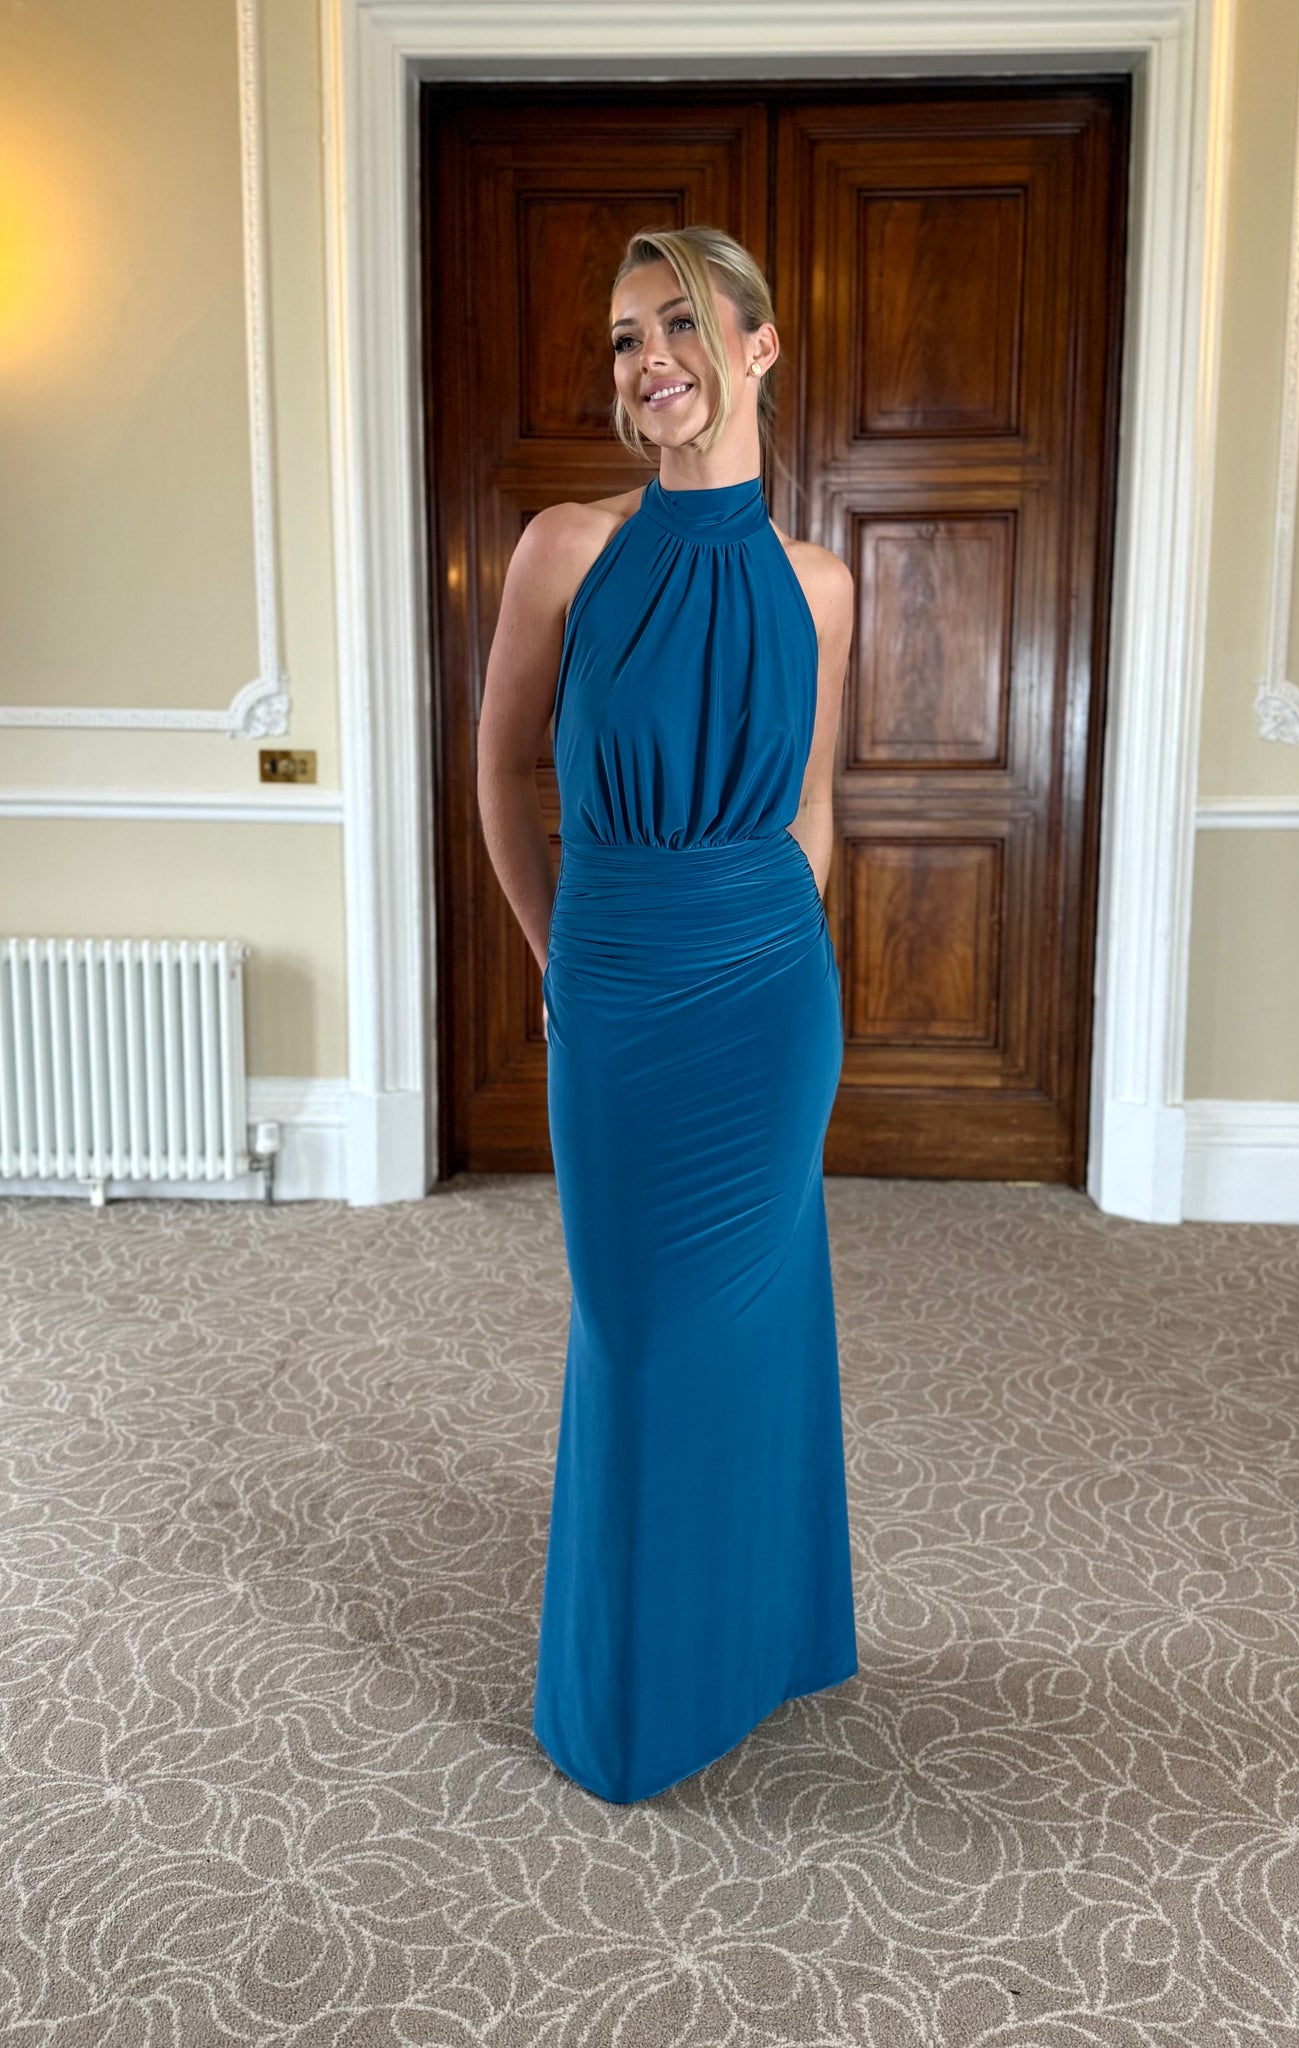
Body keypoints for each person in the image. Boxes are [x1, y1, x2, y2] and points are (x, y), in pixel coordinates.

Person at [476, 225, 859, 1803]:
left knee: (760, 1323)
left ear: (758, 347)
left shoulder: (821, 585)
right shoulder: (566, 550)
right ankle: (638, 1697)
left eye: (682, 325)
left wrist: (782, 954)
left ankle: (765, 1638)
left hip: (769, 991)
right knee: (636, 1333)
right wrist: (559, 958)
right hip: (618, 976)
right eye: (630, 338)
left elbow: (813, 806)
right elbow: (501, 770)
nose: (652, 363)